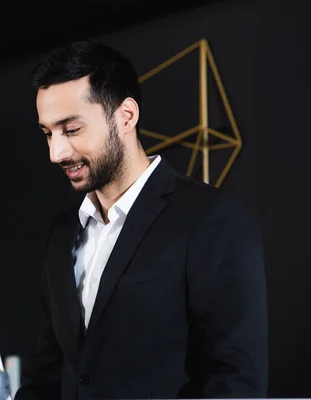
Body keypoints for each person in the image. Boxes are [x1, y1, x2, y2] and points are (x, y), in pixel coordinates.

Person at [14, 41, 268, 400]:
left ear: (126, 116)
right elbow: (45, 378)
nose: (56, 152)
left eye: (71, 130)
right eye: (47, 133)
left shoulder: (212, 218)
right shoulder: (61, 235)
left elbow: (235, 382)